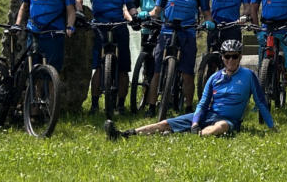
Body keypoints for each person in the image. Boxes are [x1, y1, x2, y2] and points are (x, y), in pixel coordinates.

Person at [104, 39, 273, 139]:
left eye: (234, 56)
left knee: (220, 126)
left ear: (240, 57)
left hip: (229, 121)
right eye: (227, 56)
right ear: (222, 57)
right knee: (164, 123)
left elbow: (261, 102)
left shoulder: (249, 76)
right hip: (208, 115)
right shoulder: (214, 78)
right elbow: (203, 103)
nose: (231, 60)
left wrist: (272, 127)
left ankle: (188, 134)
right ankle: (124, 134)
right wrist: (195, 122)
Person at [145, 0, 211, 115]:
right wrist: (145, 14)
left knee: (188, 73)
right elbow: (157, 10)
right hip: (167, 31)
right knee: (157, 71)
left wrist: (209, 22)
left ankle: (188, 107)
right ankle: (151, 106)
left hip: (188, 33)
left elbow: (206, 13)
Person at [74, 0, 137, 115]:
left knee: (123, 69)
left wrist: (135, 16)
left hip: (119, 27)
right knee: (97, 67)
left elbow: (130, 5)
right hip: (99, 26)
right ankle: (94, 105)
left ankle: (121, 105)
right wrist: (79, 11)